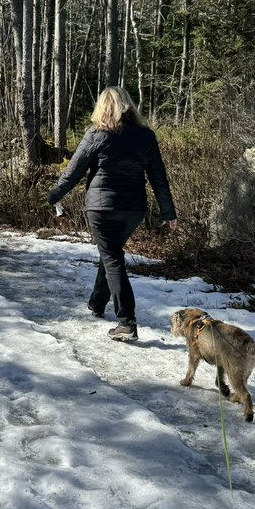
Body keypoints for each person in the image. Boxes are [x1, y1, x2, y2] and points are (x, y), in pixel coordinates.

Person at [47, 86, 177, 342]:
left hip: (101, 208)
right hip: (133, 209)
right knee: (110, 254)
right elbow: (159, 179)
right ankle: (97, 303)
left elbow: (72, 172)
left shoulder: (96, 134)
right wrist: (168, 212)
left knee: (112, 257)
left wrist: (52, 196)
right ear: (129, 106)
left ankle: (127, 322)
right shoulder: (146, 136)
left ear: (102, 108)